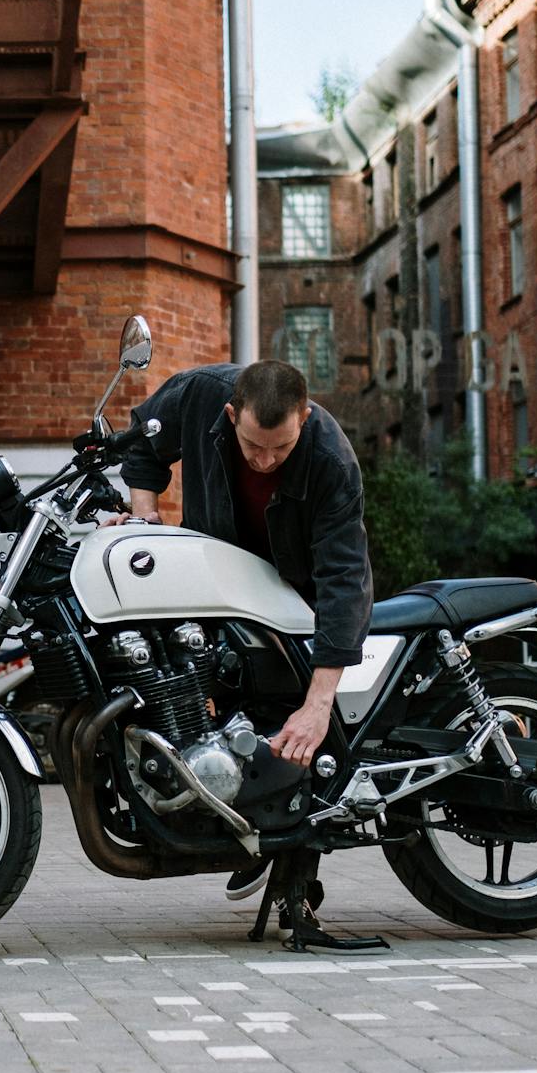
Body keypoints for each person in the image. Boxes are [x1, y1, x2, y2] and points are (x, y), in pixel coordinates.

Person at [113, 359, 373, 901]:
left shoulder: (330, 460)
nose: (266, 459)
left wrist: (319, 701)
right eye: (254, 445)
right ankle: (237, 819)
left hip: (291, 594)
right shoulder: (201, 396)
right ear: (232, 415)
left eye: (281, 448)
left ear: (304, 417)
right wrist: (143, 517)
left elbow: (345, 578)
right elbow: (142, 444)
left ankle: (286, 854)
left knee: (290, 718)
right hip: (217, 577)